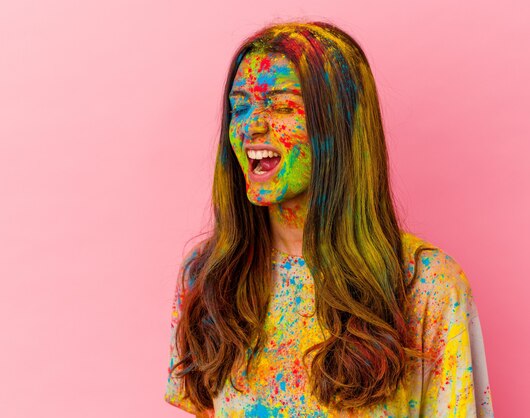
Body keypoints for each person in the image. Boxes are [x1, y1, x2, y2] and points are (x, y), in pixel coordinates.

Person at [164, 21, 494, 417]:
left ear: (340, 125)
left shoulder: (426, 285)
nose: (251, 125)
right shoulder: (206, 276)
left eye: (282, 106)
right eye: (240, 106)